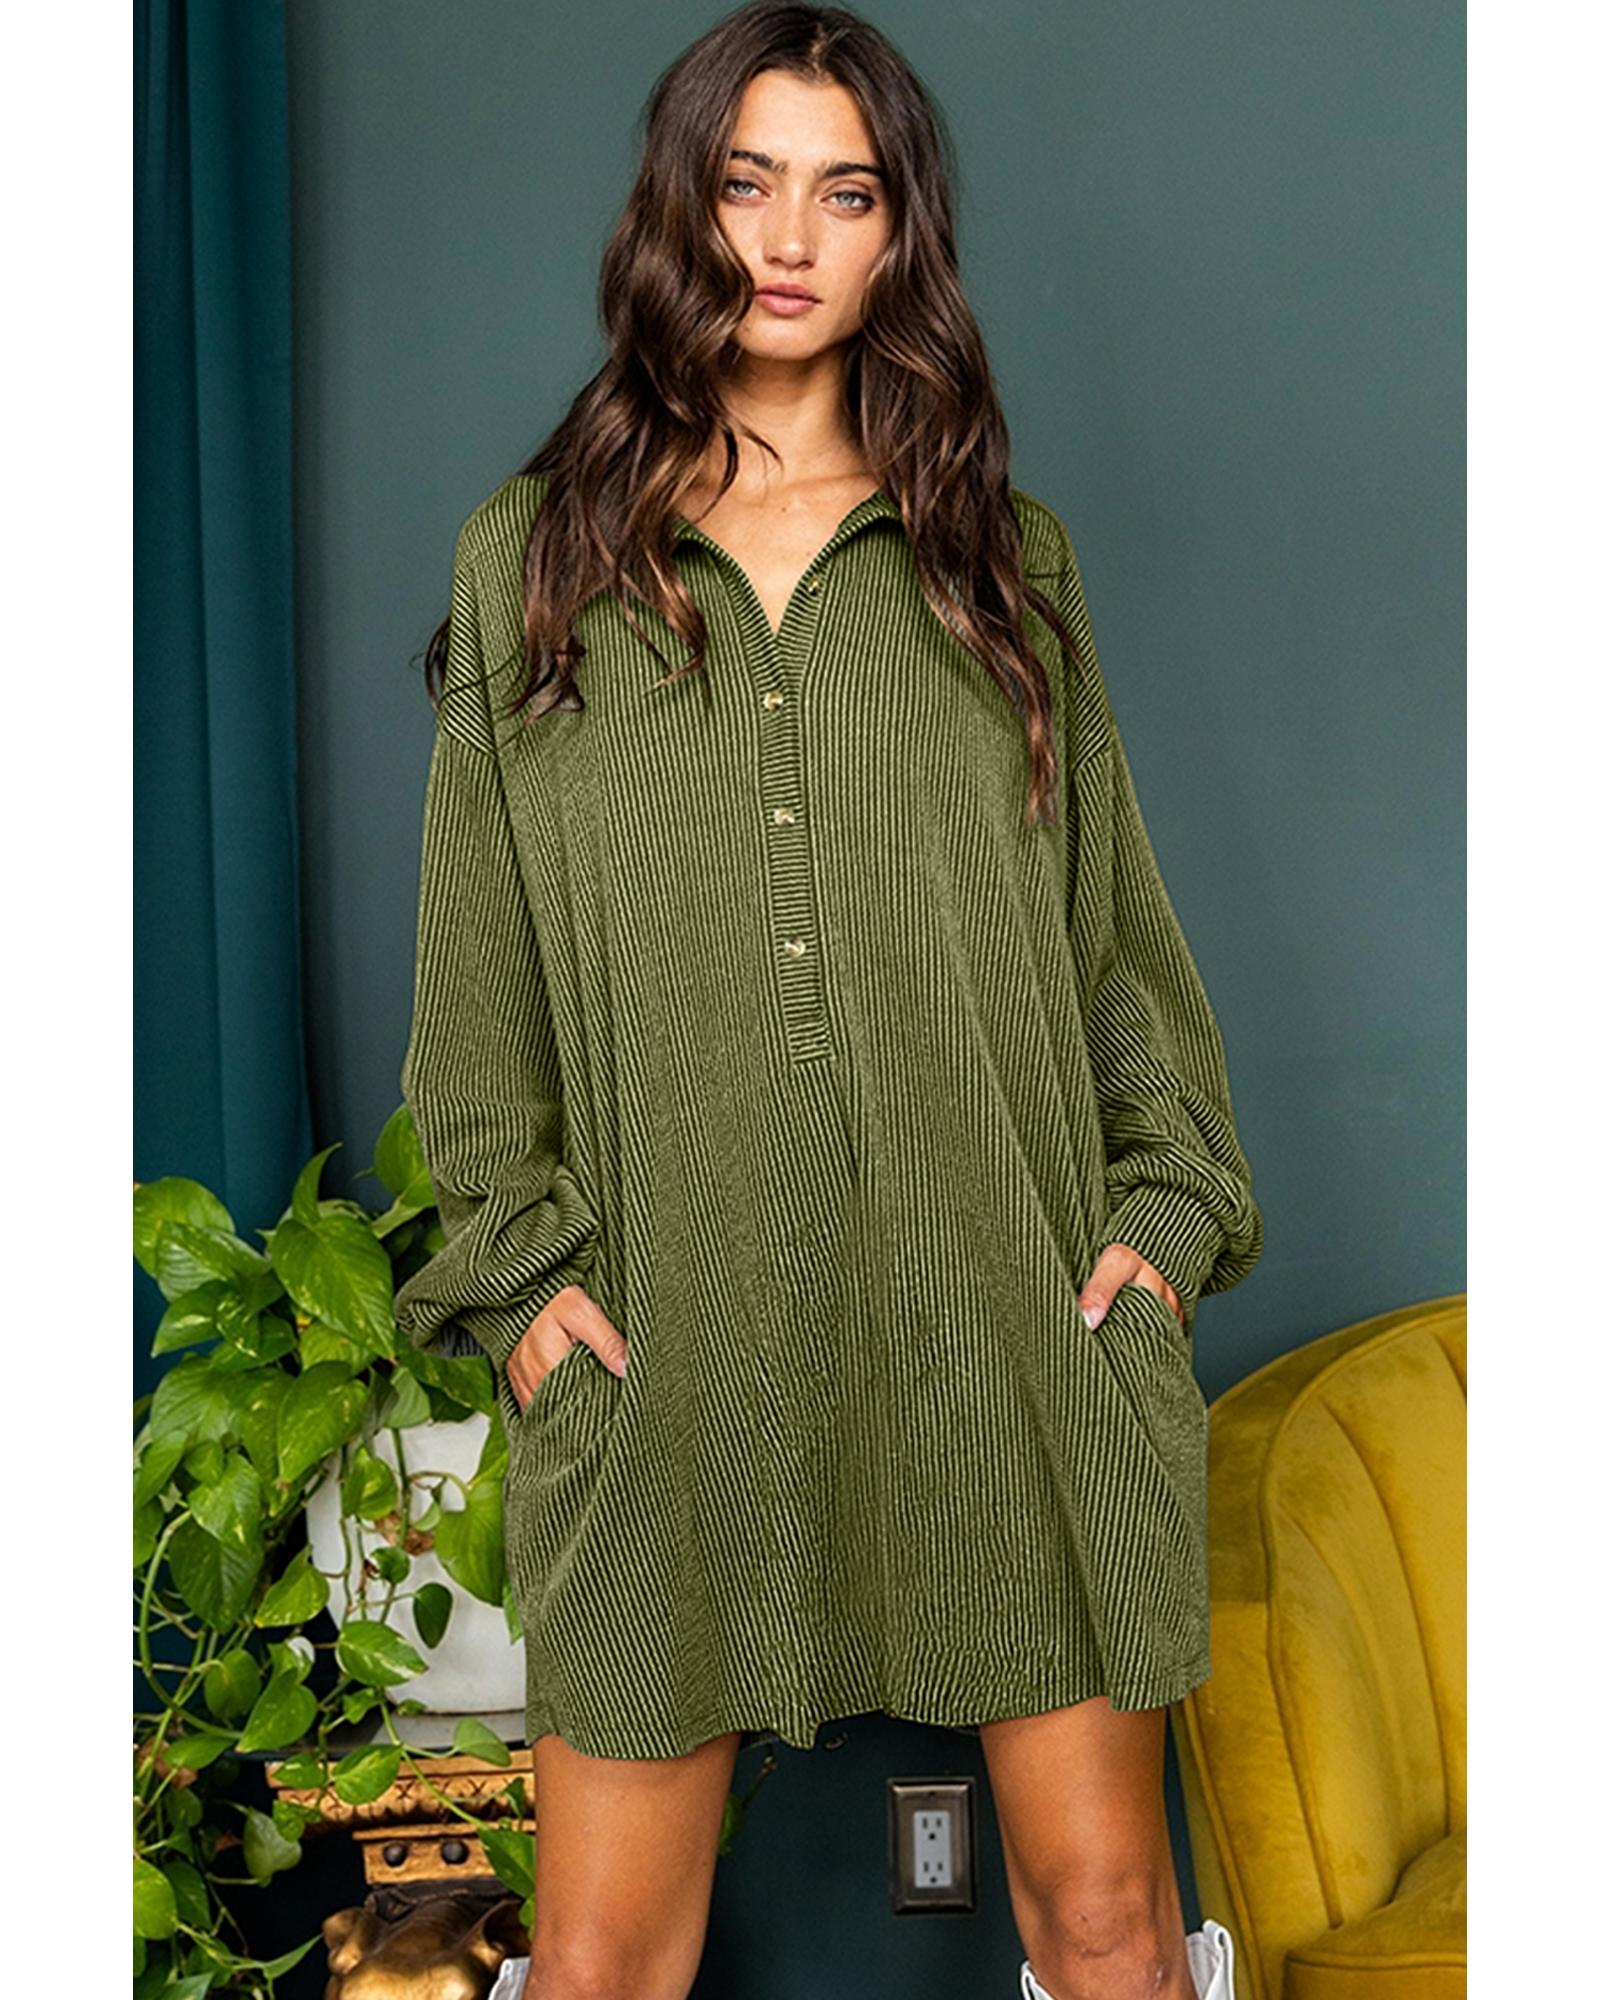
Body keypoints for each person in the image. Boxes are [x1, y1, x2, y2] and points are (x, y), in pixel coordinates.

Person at [393, 6, 1262, 1997]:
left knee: (1109, 1920)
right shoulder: (538, 560)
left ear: (898, 236)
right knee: (599, 1958)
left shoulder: (1000, 565)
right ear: (677, 209)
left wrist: (1156, 1216)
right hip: (669, 1343)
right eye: (746, 180)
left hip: (1006, 1331)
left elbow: (1111, 941)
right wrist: (523, 1290)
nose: (789, 237)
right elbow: (475, 974)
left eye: (844, 192)